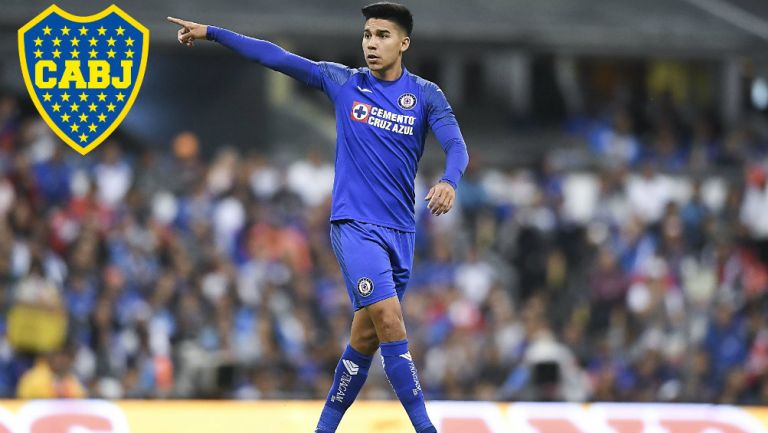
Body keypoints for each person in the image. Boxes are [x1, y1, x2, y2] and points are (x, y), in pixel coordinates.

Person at [168, 3, 469, 432]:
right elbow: (276, 57)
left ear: (404, 43)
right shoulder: (343, 82)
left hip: (401, 233)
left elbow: (456, 145)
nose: (371, 43)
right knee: (389, 319)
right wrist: (212, 32)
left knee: (365, 338)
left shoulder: (425, 95)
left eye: (383, 35)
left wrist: (450, 181)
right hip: (355, 227)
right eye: (367, 34)